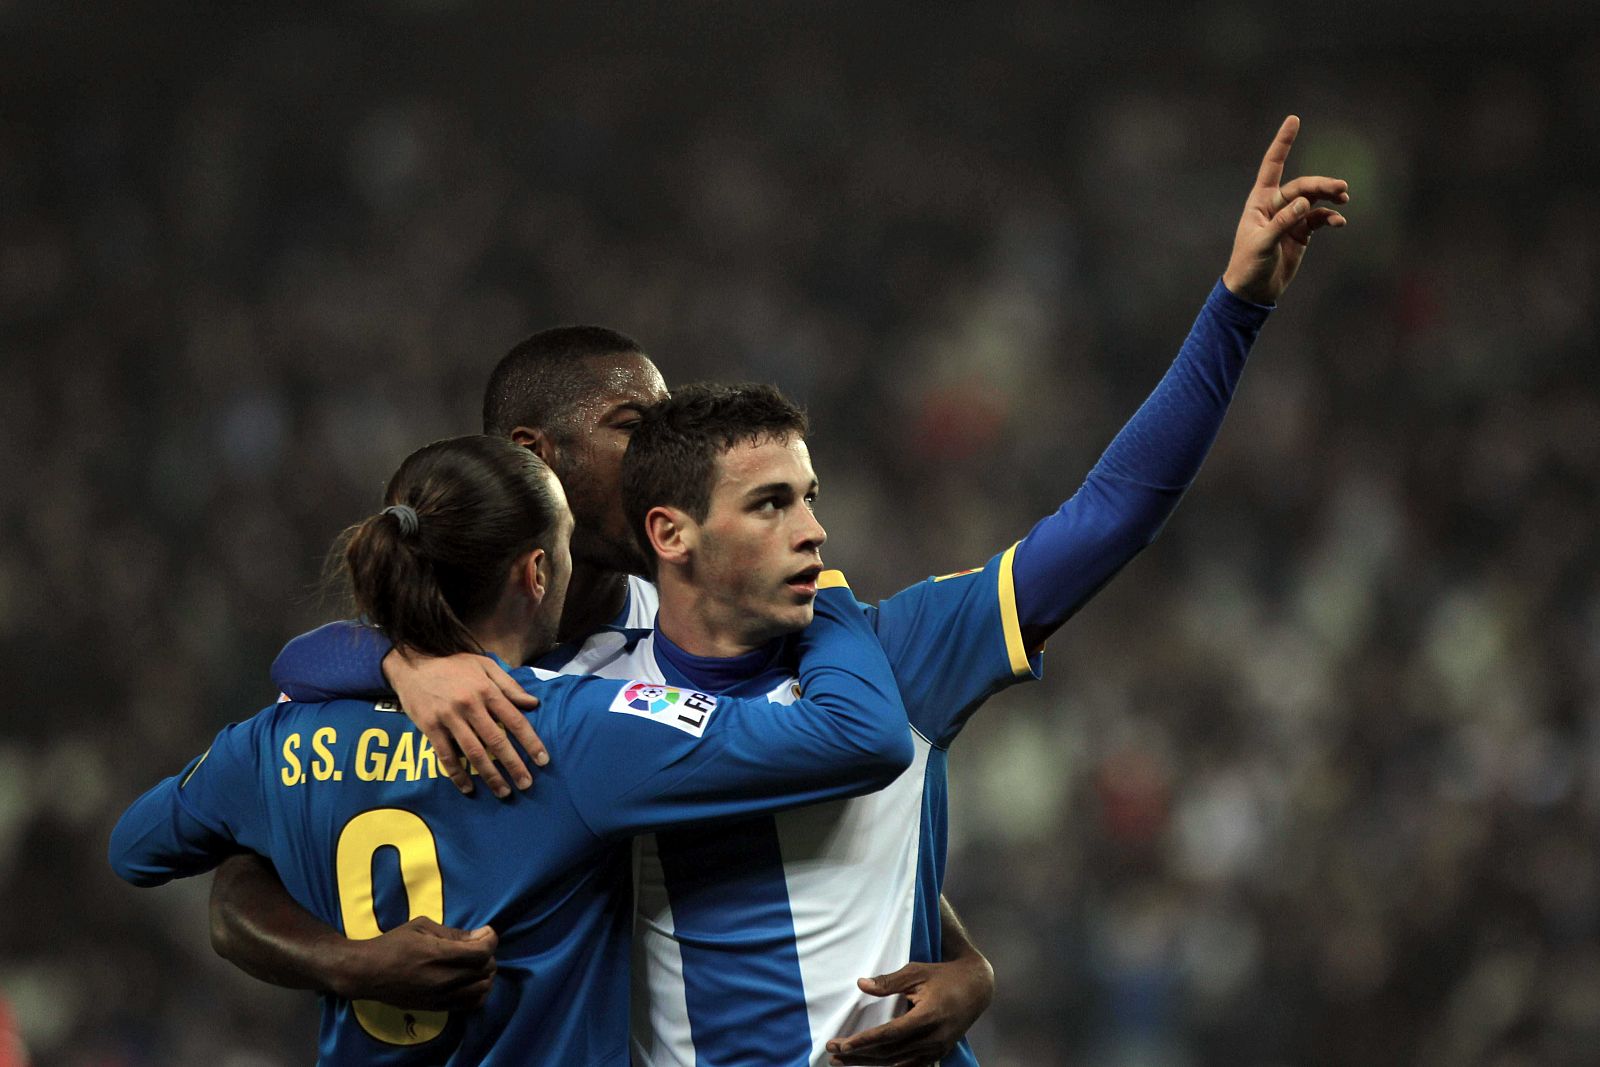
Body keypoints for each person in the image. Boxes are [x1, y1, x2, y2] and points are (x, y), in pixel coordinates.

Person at [224, 115, 1348, 1065]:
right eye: (770, 503)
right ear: (674, 531)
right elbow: (282, 743)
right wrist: (408, 660)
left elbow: (1109, 515)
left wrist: (1235, 306)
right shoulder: (569, 696)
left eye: (808, 497)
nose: (815, 529)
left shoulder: (894, 651)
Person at [109, 434, 916, 1064]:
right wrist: (831, 594)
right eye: (564, 548)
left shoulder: (272, 739)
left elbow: (137, 847)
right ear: (536, 571)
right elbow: (860, 735)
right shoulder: (569, 729)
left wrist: (322, 920)